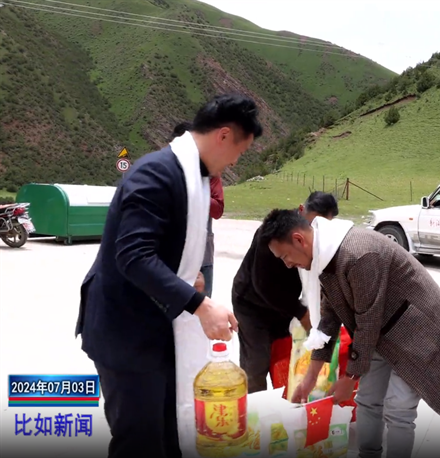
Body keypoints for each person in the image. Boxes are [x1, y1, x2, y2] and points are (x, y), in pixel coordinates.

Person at [75, 94, 262, 458]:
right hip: (126, 332)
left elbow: (162, 250)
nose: (236, 161)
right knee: (140, 440)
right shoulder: (156, 174)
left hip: (157, 327)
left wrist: (187, 279)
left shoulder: (191, 177)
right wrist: (199, 305)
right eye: (240, 151)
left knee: (171, 431)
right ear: (224, 135)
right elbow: (134, 256)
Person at [261, 208, 440, 458]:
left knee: (398, 409)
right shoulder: (325, 256)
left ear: (298, 239)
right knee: (368, 400)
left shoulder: (357, 254)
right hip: (383, 331)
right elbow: (330, 317)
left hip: (418, 330)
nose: (287, 264)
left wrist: (350, 377)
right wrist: (309, 379)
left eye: (285, 256)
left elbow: (368, 321)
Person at [231, 191, 339, 393]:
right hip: (252, 305)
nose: (315, 231)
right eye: (313, 223)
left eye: (323, 226)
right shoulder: (274, 234)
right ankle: (254, 408)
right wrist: (302, 312)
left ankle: (286, 405)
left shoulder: (320, 238)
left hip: (284, 304)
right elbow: (264, 285)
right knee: (256, 364)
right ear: (301, 210)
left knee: (287, 358)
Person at [200, 175, 224, 297]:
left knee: (205, 301)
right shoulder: (173, 172)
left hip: (203, 255)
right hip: (176, 256)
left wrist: (198, 192)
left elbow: (218, 210)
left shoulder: (211, 175)